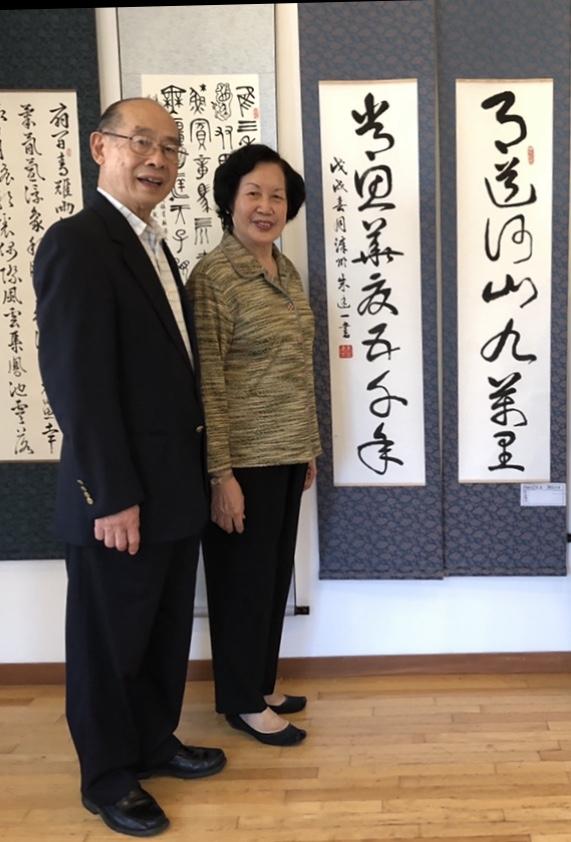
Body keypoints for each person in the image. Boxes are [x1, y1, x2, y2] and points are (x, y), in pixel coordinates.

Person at [33, 97, 226, 838]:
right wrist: (110, 495)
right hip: (118, 498)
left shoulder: (151, 244)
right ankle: (108, 777)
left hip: (171, 489)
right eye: (141, 142)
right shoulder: (78, 243)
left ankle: (151, 742)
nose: (157, 159)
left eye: (170, 147)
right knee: (108, 642)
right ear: (99, 147)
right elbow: (76, 383)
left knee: (161, 631)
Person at [187, 144, 321, 747]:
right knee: (241, 583)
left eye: (277, 197)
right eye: (254, 194)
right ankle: (241, 700)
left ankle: (259, 683)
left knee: (270, 580)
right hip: (242, 460)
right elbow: (208, 383)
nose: (266, 207)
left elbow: (295, 365)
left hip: (288, 452)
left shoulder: (283, 270)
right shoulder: (214, 277)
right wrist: (221, 475)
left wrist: (308, 447)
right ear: (230, 201)